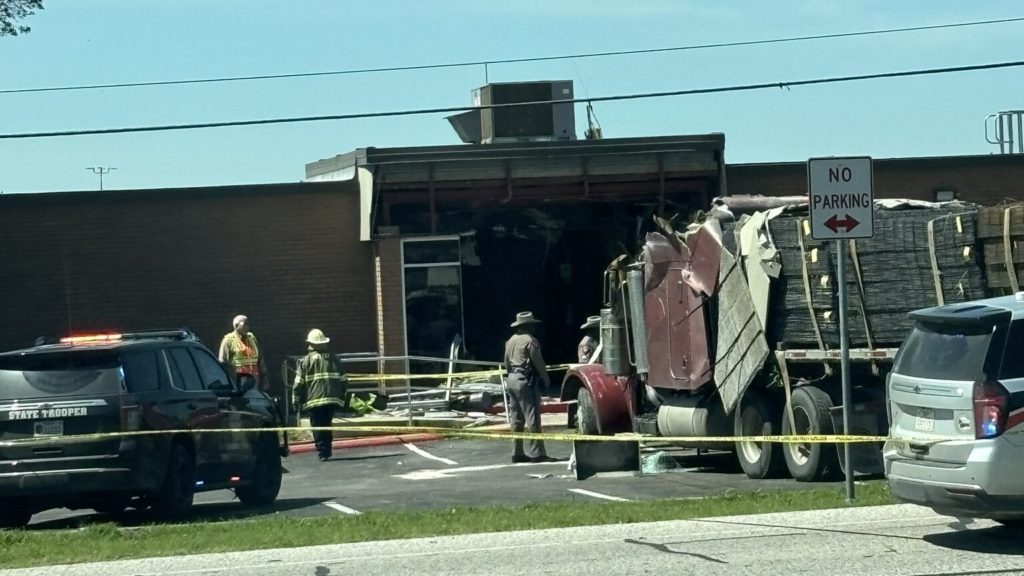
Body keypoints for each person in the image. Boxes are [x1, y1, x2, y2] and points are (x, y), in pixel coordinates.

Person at [503, 311, 555, 464]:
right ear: (528, 326)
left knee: (516, 419)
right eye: (532, 325)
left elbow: (506, 363)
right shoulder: (531, 341)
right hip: (525, 381)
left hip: (511, 379)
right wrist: (546, 379)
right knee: (532, 417)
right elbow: (538, 363)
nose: (534, 328)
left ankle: (517, 452)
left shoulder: (510, 341)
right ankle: (537, 453)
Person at [292, 328, 348, 461]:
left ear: (311, 344)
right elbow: (344, 379)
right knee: (327, 425)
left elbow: (298, 383)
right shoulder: (334, 358)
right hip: (331, 399)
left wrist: (295, 400)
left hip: (314, 401)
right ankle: (327, 450)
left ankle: (322, 452)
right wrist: (343, 396)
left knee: (317, 426)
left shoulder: (305, 361)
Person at [218, 314, 269, 391]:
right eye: (245, 324)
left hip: (254, 380)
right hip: (238, 382)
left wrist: (264, 377)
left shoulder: (251, 337)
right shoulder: (228, 340)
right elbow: (223, 363)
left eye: (248, 324)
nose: (248, 327)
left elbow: (260, 359)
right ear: (236, 326)